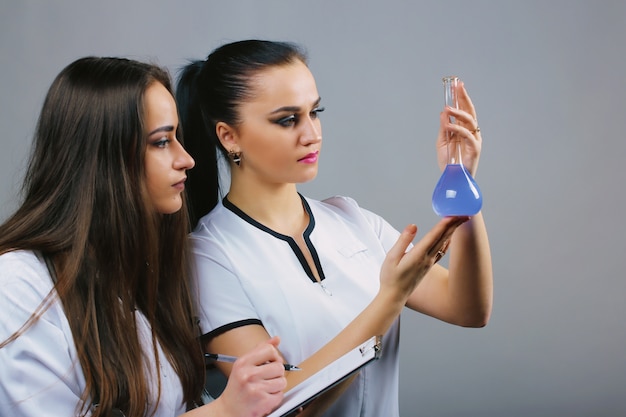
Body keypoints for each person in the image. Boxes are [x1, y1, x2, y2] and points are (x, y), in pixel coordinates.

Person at [176, 39, 492, 416]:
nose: (311, 133)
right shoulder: (209, 255)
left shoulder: (352, 220)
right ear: (229, 136)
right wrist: (391, 297)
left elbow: (468, 309)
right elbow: (281, 407)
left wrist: (462, 182)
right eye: (287, 119)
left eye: (315, 111)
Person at [0, 56, 288, 417]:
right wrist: (226, 411)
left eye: (177, 138)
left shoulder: (129, 282)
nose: (187, 159)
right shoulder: (17, 285)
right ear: (103, 156)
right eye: (161, 142)